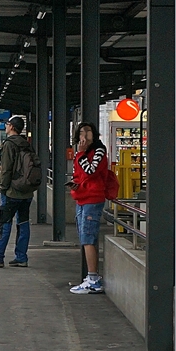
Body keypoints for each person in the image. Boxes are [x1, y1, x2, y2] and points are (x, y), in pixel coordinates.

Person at [68, 121, 119, 294]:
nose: (84, 135)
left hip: (93, 199)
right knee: (85, 237)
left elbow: (90, 171)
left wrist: (81, 154)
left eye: (88, 131)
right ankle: (91, 277)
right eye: (81, 132)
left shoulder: (98, 151)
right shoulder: (80, 153)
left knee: (88, 237)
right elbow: (80, 174)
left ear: (93, 134)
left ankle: (93, 279)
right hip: (82, 197)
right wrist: (75, 183)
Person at [0, 117, 34, 268]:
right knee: (23, 223)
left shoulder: (9, 144)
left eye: (7, 124)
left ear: (12, 127)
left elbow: (7, 169)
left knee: (5, 222)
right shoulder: (26, 144)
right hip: (26, 192)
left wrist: (3, 188)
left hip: (12, 192)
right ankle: (21, 257)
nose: (5, 126)